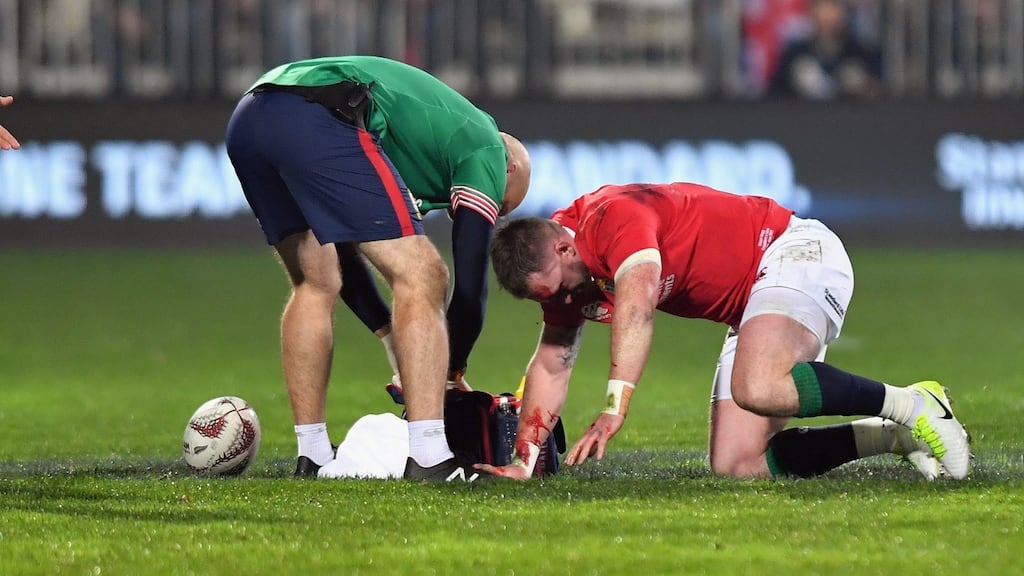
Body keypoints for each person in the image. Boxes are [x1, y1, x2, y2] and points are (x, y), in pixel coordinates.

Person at [478, 182, 971, 481]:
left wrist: (613, 409)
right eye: (545, 298)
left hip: (791, 252)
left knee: (757, 385)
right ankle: (894, 438)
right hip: (751, 303)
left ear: (565, 249)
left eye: (558, 287)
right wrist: (525, 458)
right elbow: (552, 360)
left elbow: (636, 307)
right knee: (737, 465)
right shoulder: (564, 283)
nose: (561, 301)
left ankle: (916, 404)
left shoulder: (612, 217)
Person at [225, 56, 531, 482]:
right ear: (509, 168)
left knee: (315, 282)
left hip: (252, 116)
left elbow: (344, 246)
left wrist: (390, 335)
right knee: (425, 273)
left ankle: (312, 454)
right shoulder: (485, 147)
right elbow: (471, 288)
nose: (493, 211)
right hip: (321, 113)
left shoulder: (418, 147)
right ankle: (428, 458)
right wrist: (448, 372)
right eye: (502, 202)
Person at [767, 0, 882, 100]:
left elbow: (882, 91)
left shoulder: (861, 54)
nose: (827, 16)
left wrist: (863, 85)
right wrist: (797, 85)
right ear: (811, 13)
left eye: (834, 7)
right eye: (821, 7)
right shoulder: (793, 56)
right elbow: (772, 96)